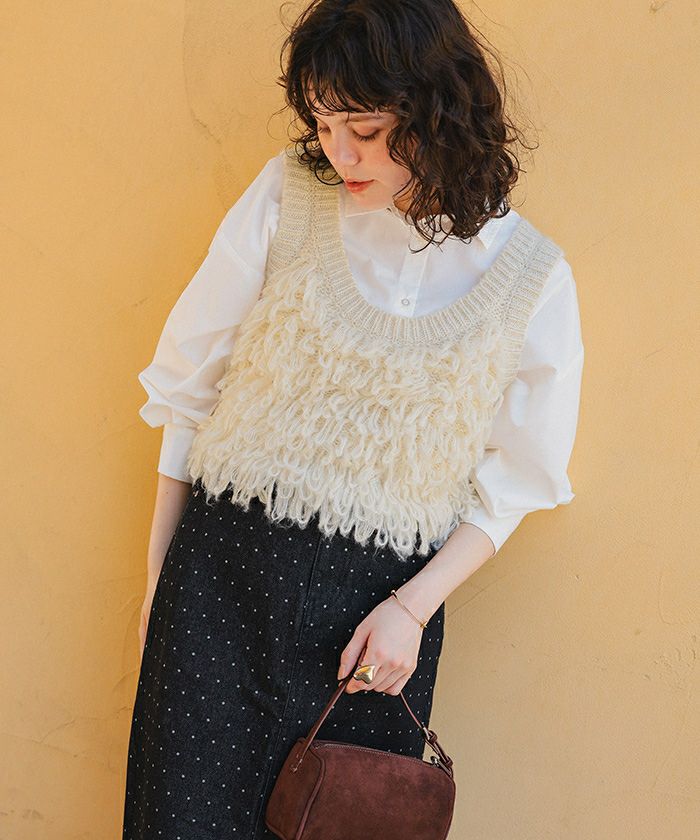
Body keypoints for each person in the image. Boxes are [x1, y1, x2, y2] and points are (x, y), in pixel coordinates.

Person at [121, 0, 584, 837]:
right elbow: (188, 391)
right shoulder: (287, 195)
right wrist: (160, 584)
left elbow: (518, 481)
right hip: (222, 582)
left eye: (364, 129)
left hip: (375, 630)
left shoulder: (531, 278)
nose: (338, 153)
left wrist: (414, 608)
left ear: (436, 111)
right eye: (324, 124)